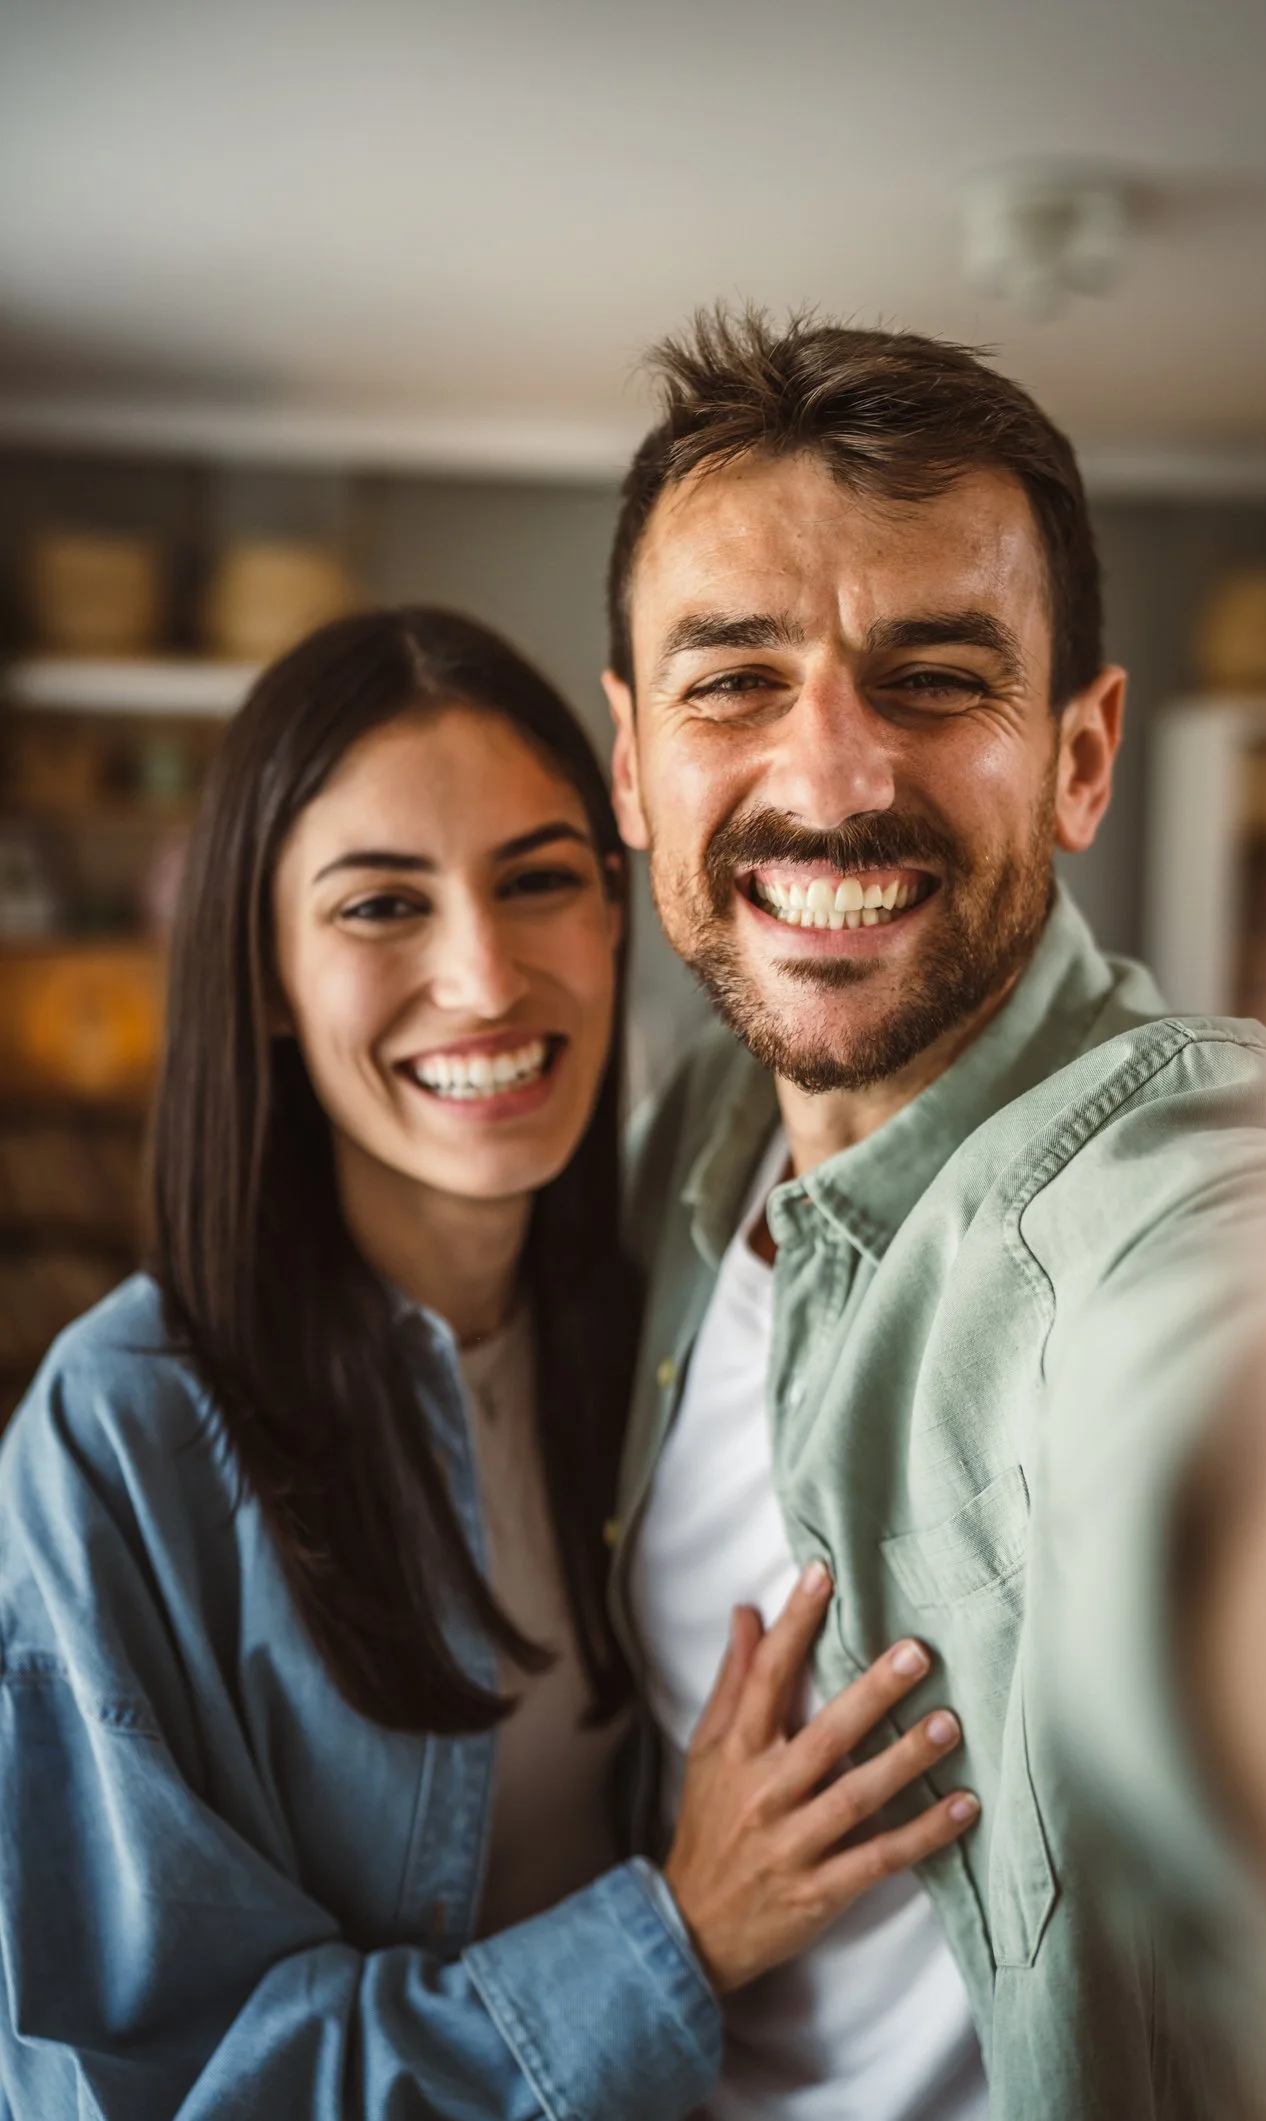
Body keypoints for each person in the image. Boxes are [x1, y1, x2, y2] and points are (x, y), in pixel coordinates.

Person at [0, 606, 981, 2120]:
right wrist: (674, 1934)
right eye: (379, 907)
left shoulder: (656, 1320)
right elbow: (149, 2089)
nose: (483, 978)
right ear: (261, 973)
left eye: (537, 881)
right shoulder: (117, 1434)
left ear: (615, 911)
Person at [602, 310, 1266, 2120]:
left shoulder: (1159, 1175)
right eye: (732, 681)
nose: (833, 775)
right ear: (630, 764)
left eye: (935, 676)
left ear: (1082, 758)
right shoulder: (687, 1138)